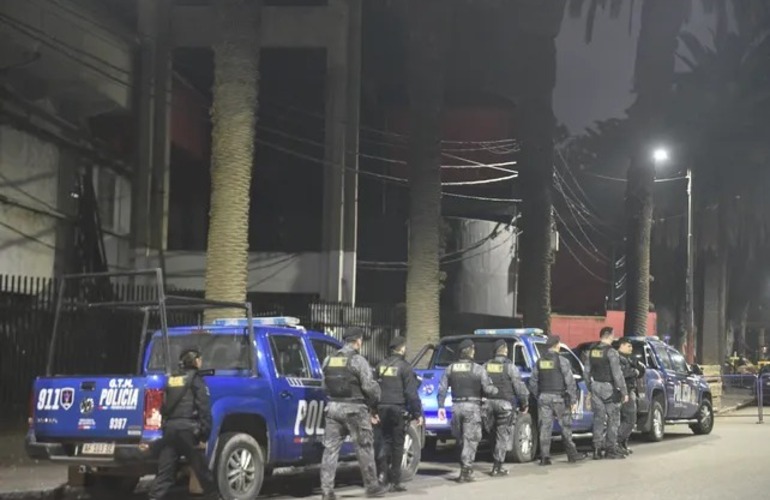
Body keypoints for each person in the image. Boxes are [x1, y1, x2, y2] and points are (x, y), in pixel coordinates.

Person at [320, 328, 388, 500]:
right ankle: (372, 486)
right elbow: (369, 387)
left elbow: (324, 386)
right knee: (364, 448)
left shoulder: (329, 359)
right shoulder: (358, 361)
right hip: (355, 410)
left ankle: (327, 491)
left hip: (333, 409)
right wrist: (376, 400)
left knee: (330, 451)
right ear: (358, 341)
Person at [148, 349, 218, 500]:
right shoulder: (197, 381)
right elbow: (204, 410)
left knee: (165, 474)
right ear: (196, 361)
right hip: (188, 432)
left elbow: (163, 407)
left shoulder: (172, 379)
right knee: (203, 473)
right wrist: (204, 436)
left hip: (171, 431)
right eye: (200, 359)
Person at [437, 339, 498, 483]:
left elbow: (442, 389)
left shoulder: (450, 368)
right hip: (472, 407)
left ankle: (465, 467)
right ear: (471, 351)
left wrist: (440, 406)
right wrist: (496, 390)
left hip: (456, 407)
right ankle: (466, 471)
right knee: (470, 439)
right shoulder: (478, 369)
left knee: (461, 439)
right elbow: (488, 389)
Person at [528, 335, 585, 466]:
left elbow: (532, 382)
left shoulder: (540, 361)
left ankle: (544, 457)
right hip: (559, 398)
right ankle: (572, 454)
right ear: (557, 345)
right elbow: (570, 382)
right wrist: (573, 400)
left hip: (544, 398)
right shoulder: (562, 361)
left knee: (545, 428)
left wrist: (539, 395)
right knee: (566, 427)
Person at [374, 336, 422, 491]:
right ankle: (395, 480)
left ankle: (381, 476)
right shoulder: (405, 367)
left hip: (381, 408)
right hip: (397, 409)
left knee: (383, 442)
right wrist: (417, 413)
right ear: (401, 348)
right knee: (397, 444)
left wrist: (373, 409)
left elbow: (374, 389)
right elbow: (411, 393)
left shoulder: (380, 366)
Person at [482, 339, 529, 476]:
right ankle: (497, 467)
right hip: (505, 405)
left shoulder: (485, 366)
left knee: (492, 433)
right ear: (505, 350)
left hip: (488, 404)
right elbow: (519, 387)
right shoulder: (510, 367)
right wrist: (524, 404)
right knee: (502, 435)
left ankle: (492, 458)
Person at [585, 327, 628, 460]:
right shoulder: (611, 352)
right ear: (609, 336)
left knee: (599, 418)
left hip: (595, 386)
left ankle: (597, 449)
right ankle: (610, 449)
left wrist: (590, 388)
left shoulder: (591, 351)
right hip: (608, 388)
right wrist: (624, 391)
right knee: (613, 418)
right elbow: (617, 374)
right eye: (613, 335)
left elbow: (586, 372)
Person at [617, 338, 645, 455]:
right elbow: (621, 374)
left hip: (630, 390)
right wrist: (634, 372)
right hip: (625, 392)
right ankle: (617, 442)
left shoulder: (628, 359)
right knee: (630, 419)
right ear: (621, 346)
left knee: (627, 419)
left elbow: (641, 370)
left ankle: (623, 444)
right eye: (628, 346)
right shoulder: (617, 359)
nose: (631, 348)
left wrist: (638, 369)